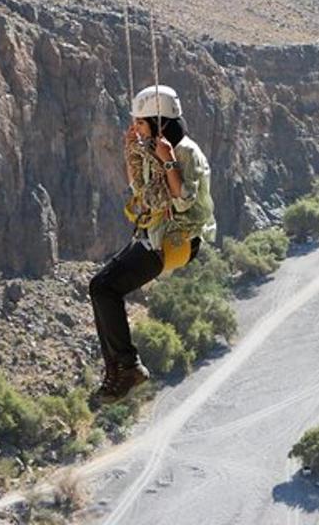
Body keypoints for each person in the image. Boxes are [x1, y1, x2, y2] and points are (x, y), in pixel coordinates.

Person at [88, 84, 216, 402]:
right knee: (99, 287)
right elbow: (140, 189)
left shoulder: (187, 152)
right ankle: (117, 370)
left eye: (142, 124)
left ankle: (128, 367)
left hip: (178, 239)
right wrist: (130, 151)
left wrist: (168, 161)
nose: (137, 129)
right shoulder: (151, 150)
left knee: (105, 288)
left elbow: (184, 201)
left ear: (160, 123)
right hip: (155, 236)